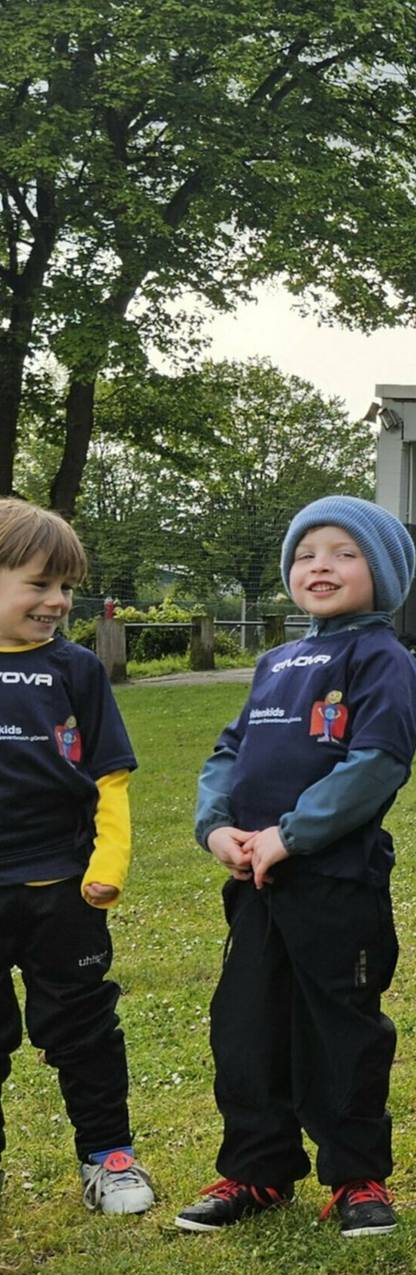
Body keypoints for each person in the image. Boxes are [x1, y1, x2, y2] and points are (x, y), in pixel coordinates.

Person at [180, 496, 416, 1237]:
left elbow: (376, 764)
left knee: (340, 1030)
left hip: (336, 883)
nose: (319, 565)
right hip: (257, 886)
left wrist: (291, 835)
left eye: (342, 552)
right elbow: (228, 752)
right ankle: (257, 1170)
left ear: (382, 573)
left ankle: (358, 1177)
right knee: (246, 1027)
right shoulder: (276, 662)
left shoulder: (383, 660)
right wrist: (218, 827)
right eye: (305, 553)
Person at [0, 499, 152, 1216]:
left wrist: (108, 864)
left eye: (66, 587)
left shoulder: (78, 669)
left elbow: (110, 778)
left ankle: (109, 1157)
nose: (58, 601)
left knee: (85, 1029)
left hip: (61, 888)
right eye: (39, 584)